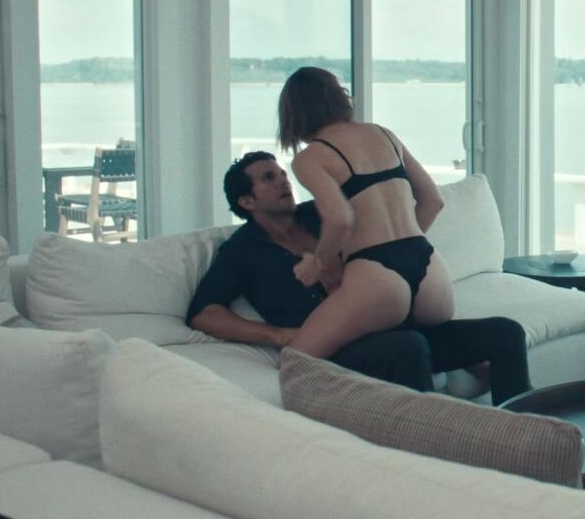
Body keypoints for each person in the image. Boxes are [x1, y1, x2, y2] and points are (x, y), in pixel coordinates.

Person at [186, 151, 532, 404]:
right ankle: (429, 448)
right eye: (268, 178)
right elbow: (204, 313)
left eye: (281, 173)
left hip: (392, 322)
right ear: (247, 201)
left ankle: (523, 439)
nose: (283, 181)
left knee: (505, 333)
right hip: (334, 346)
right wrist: (277, 335)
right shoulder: (242, 250)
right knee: (408, 346)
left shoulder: (324, 216)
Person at [275, 66, 456, 356]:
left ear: (293, 114)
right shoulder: (384, 135)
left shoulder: (310, 158)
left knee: (295, 361)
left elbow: (339, 218)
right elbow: (433, 201)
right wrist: (402, 246)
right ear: (340, 98)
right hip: (430, 270)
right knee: (415, 349)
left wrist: (317, 262)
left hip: (376, 276)